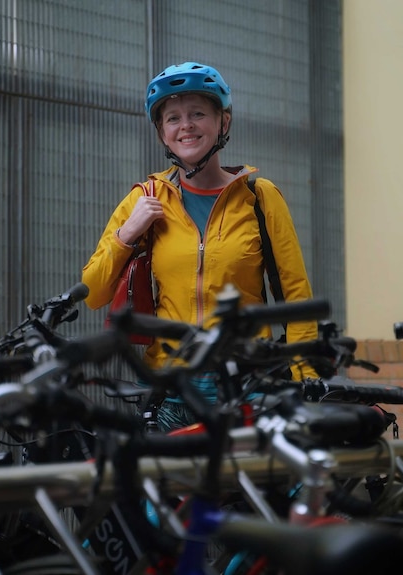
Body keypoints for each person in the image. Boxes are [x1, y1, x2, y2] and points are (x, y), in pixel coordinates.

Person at [82, 62, 318, 432]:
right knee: (159, 489)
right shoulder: (145, 198)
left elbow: (296, 294)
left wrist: (304, 375)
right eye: (172, 118)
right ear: (162, 132)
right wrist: (127, 234)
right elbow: (93, 292)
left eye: (197, 113)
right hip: (168, 388)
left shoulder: (260, 197)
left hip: (245, 385)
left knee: (264, 488)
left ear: (223, 122)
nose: (185, 125)